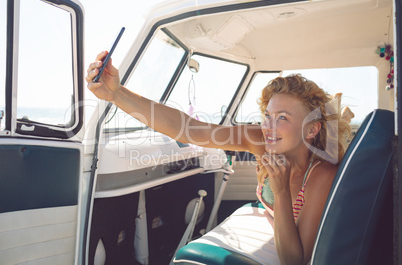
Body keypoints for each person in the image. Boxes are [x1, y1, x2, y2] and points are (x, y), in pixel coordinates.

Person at [86, 51, 350, 265]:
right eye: (268, 115)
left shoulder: (321, 174)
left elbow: (296, 260)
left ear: (312, 129)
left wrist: (280, 192)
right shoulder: (260, 140)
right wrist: (116, 94)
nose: (269, 127)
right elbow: (190, 129)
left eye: (283, 118)